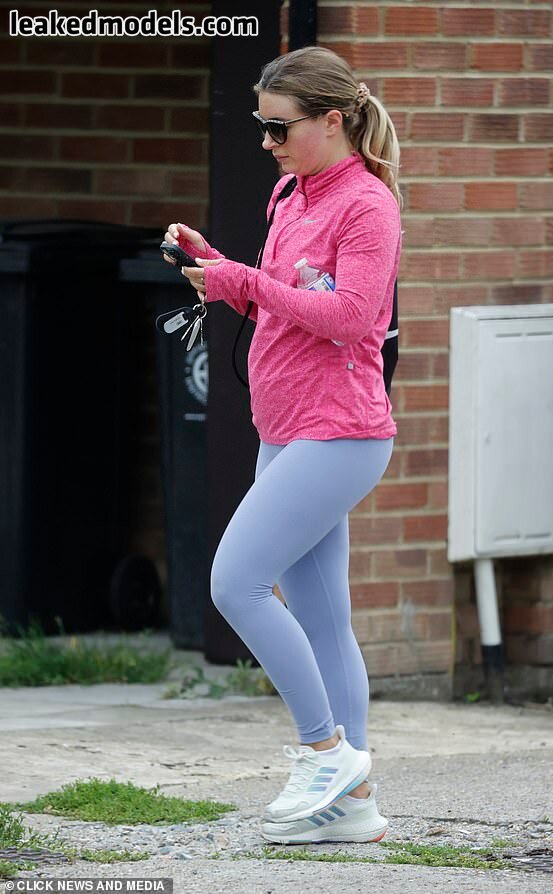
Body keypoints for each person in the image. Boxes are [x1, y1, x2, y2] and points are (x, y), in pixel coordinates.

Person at [162, 45, 402, 845]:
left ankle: (325, 752)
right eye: (260, 127)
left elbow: (351, 317)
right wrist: (216, 269)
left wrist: (242, 281)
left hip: (342, 433)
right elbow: (282, 305)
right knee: (326, 621)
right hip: (287, 429)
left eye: (279, 127)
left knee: (237, 583)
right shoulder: (290, 193)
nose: (267, 142)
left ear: (332, 121)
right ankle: (352, 807)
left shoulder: (366, 205)